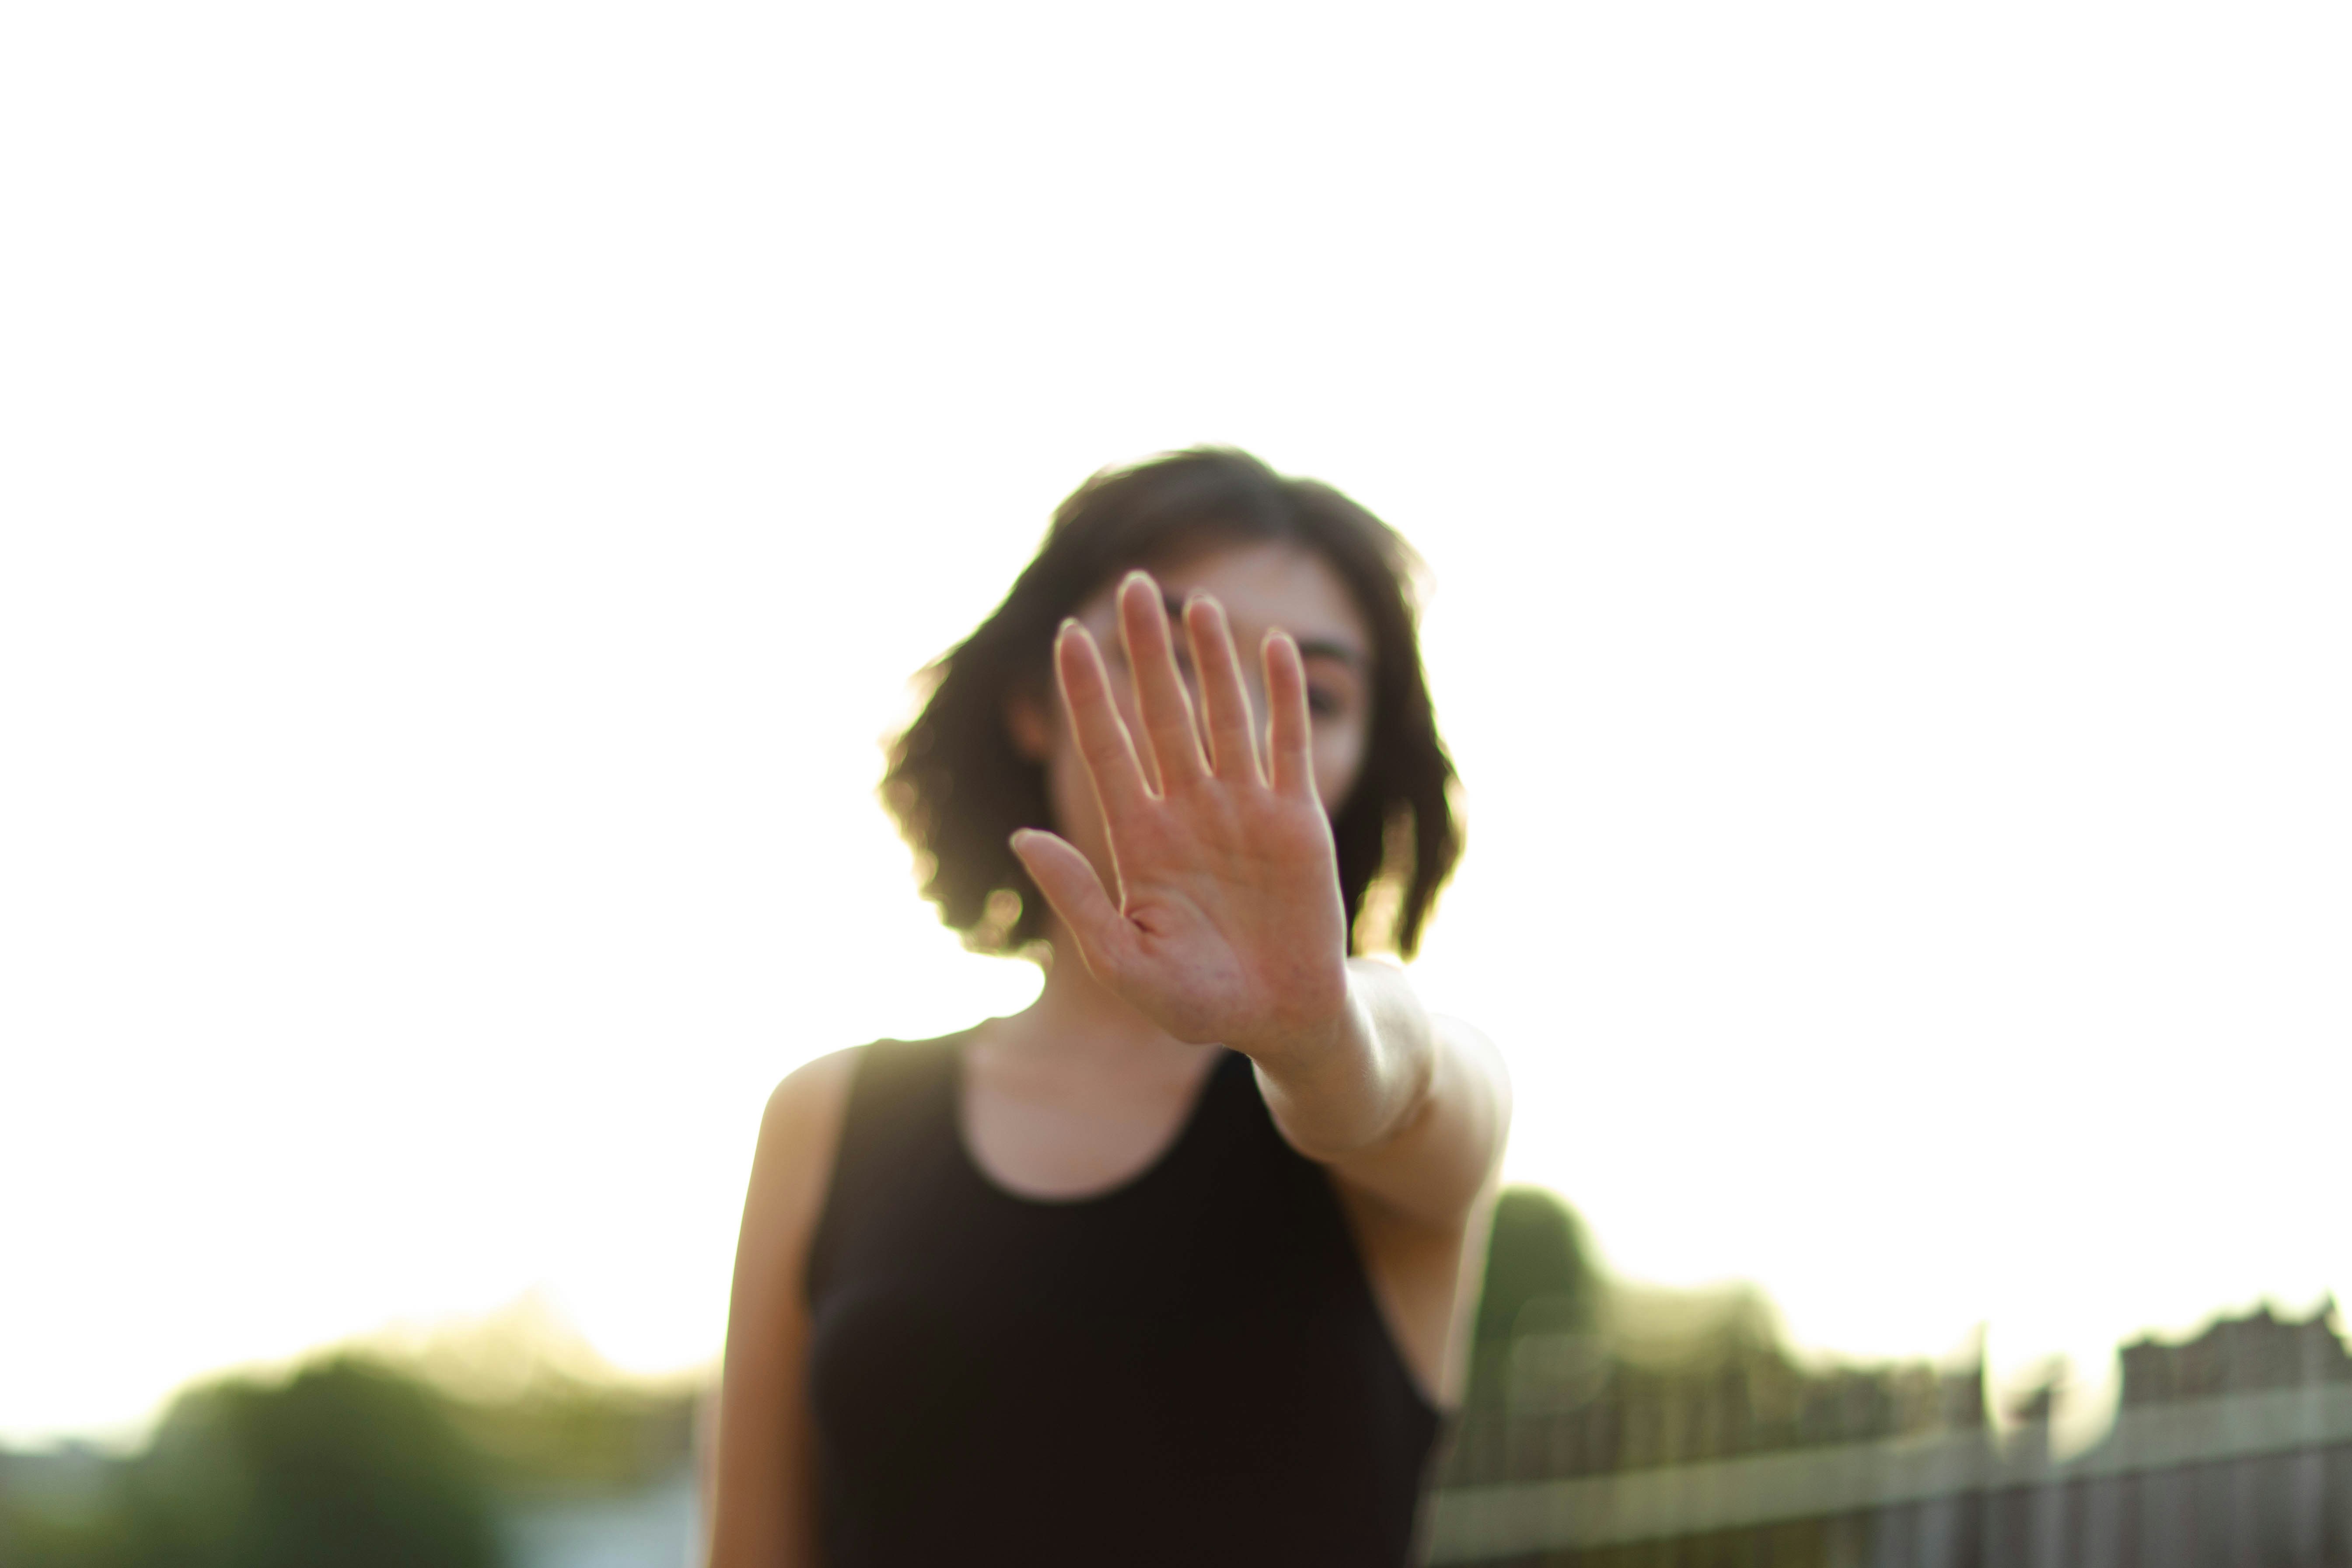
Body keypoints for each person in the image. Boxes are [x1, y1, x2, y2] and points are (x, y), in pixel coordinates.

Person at [706, 448, 1510, 1567]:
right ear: (1034, 702)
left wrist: (1315, 1035)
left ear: (1360, 762)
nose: (1227, 730)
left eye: (1309, 696)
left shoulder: (1377, 1074)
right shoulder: (830, 1113)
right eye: (1170, 658)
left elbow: (1405, 1078)